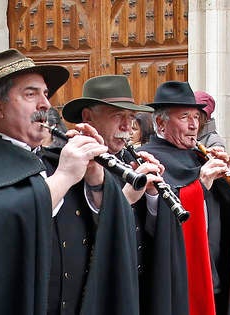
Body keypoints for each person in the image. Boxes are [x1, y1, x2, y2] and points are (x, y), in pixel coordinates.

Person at [0, 49, 139, 314]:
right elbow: (0, 224)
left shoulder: (53, 159)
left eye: (46, 94)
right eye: (31, 94)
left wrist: (95, 178)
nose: (45, 105)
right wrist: (63, 177)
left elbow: (102, 223)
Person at [61, 74, 188, 315]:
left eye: (131, 118)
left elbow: (148, 232)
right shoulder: (69, 163)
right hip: (95, 294)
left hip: (136, 288)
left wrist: (152, 197)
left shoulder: (131, 159)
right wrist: (125, 198)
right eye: (117, 116)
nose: (127, 128)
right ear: (88, 117)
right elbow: (78, 233)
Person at [137, 81, 230, 315]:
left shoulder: (198, 155)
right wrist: (200, 185)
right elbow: (155, 222)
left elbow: (227, 211)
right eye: (184, 117)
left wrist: (225, 181)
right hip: (178, 277)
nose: (194, 126)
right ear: (161, 123)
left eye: (197, 117)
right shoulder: (149, 159)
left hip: (213, 271)